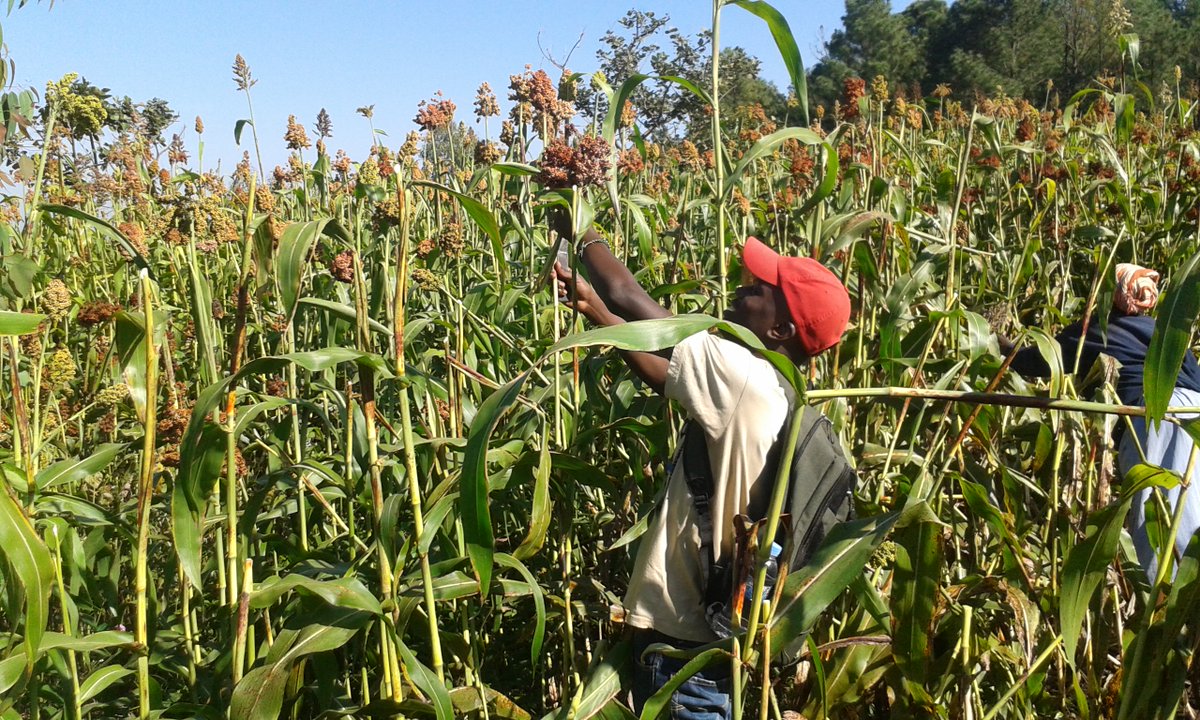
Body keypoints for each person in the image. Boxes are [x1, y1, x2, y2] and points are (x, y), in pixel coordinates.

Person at [553, 225, 851, 718]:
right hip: (710, 644)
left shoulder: (744, 375)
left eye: (757, 290)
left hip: (683, 655)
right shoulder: (780, 394)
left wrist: (580, 231)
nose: (739, 288)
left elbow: (628, 294)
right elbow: (663, 372)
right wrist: (597, 314)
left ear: (781, 331)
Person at [1000, 263, 1200, 580]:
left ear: (1108, 297)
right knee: (1194, 505)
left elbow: (1030, 360)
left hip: (1154, 414)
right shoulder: (1164, 330)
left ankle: (1169, 606)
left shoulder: (1094, 331)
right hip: (1196, 413)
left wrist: (997, 341)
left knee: (1159, 511)